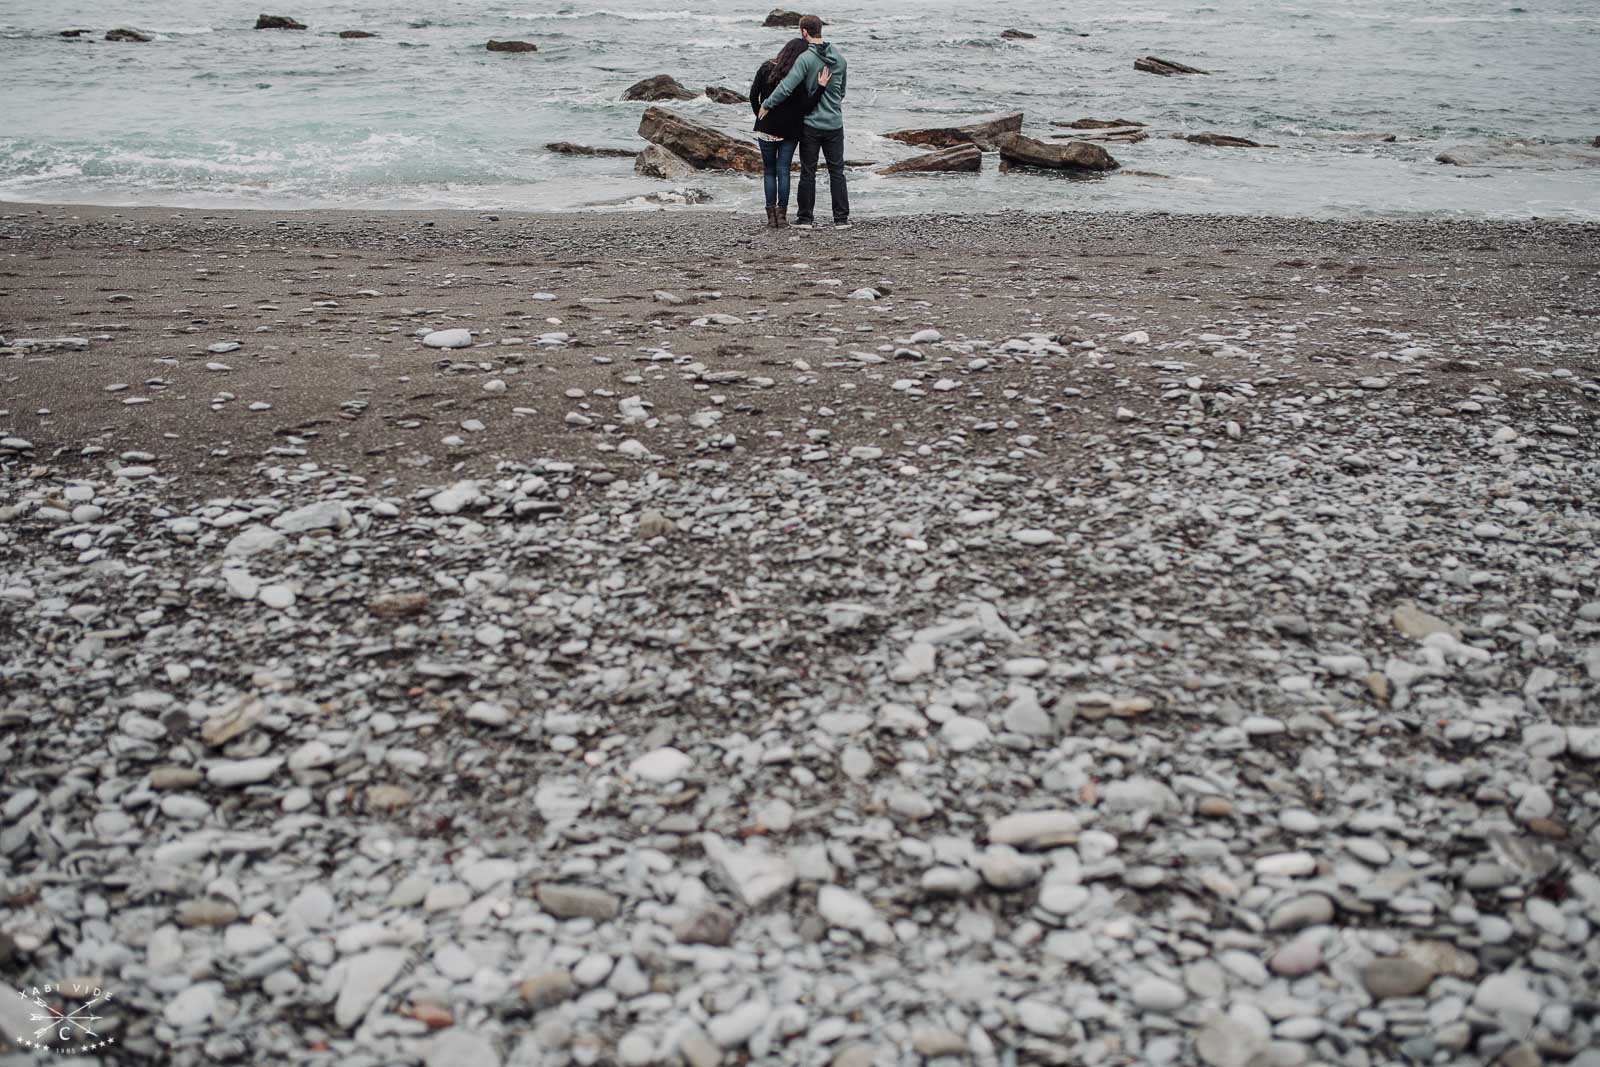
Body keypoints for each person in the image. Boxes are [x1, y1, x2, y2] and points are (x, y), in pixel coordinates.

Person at [758, 14, 849, 229]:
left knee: (808, 171)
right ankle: (841, 219)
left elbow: (786, 87)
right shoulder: (841, 59)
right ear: (821, 30)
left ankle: (806, 219)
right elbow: (842, 92)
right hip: (835, 123)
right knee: (837, 171)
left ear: (804, 32)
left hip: (811, 124)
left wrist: (767, 104)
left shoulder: (806, 59)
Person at [750, 38, 831, 229]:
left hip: (766, 129)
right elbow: (805, 107)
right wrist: (820, 88)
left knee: (769, 172)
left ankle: (771, 218)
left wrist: (759, 116)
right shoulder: (798, 74)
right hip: (790, 130)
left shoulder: (765, 68)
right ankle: (782, 216)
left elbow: (753, 95)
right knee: (783, 171)